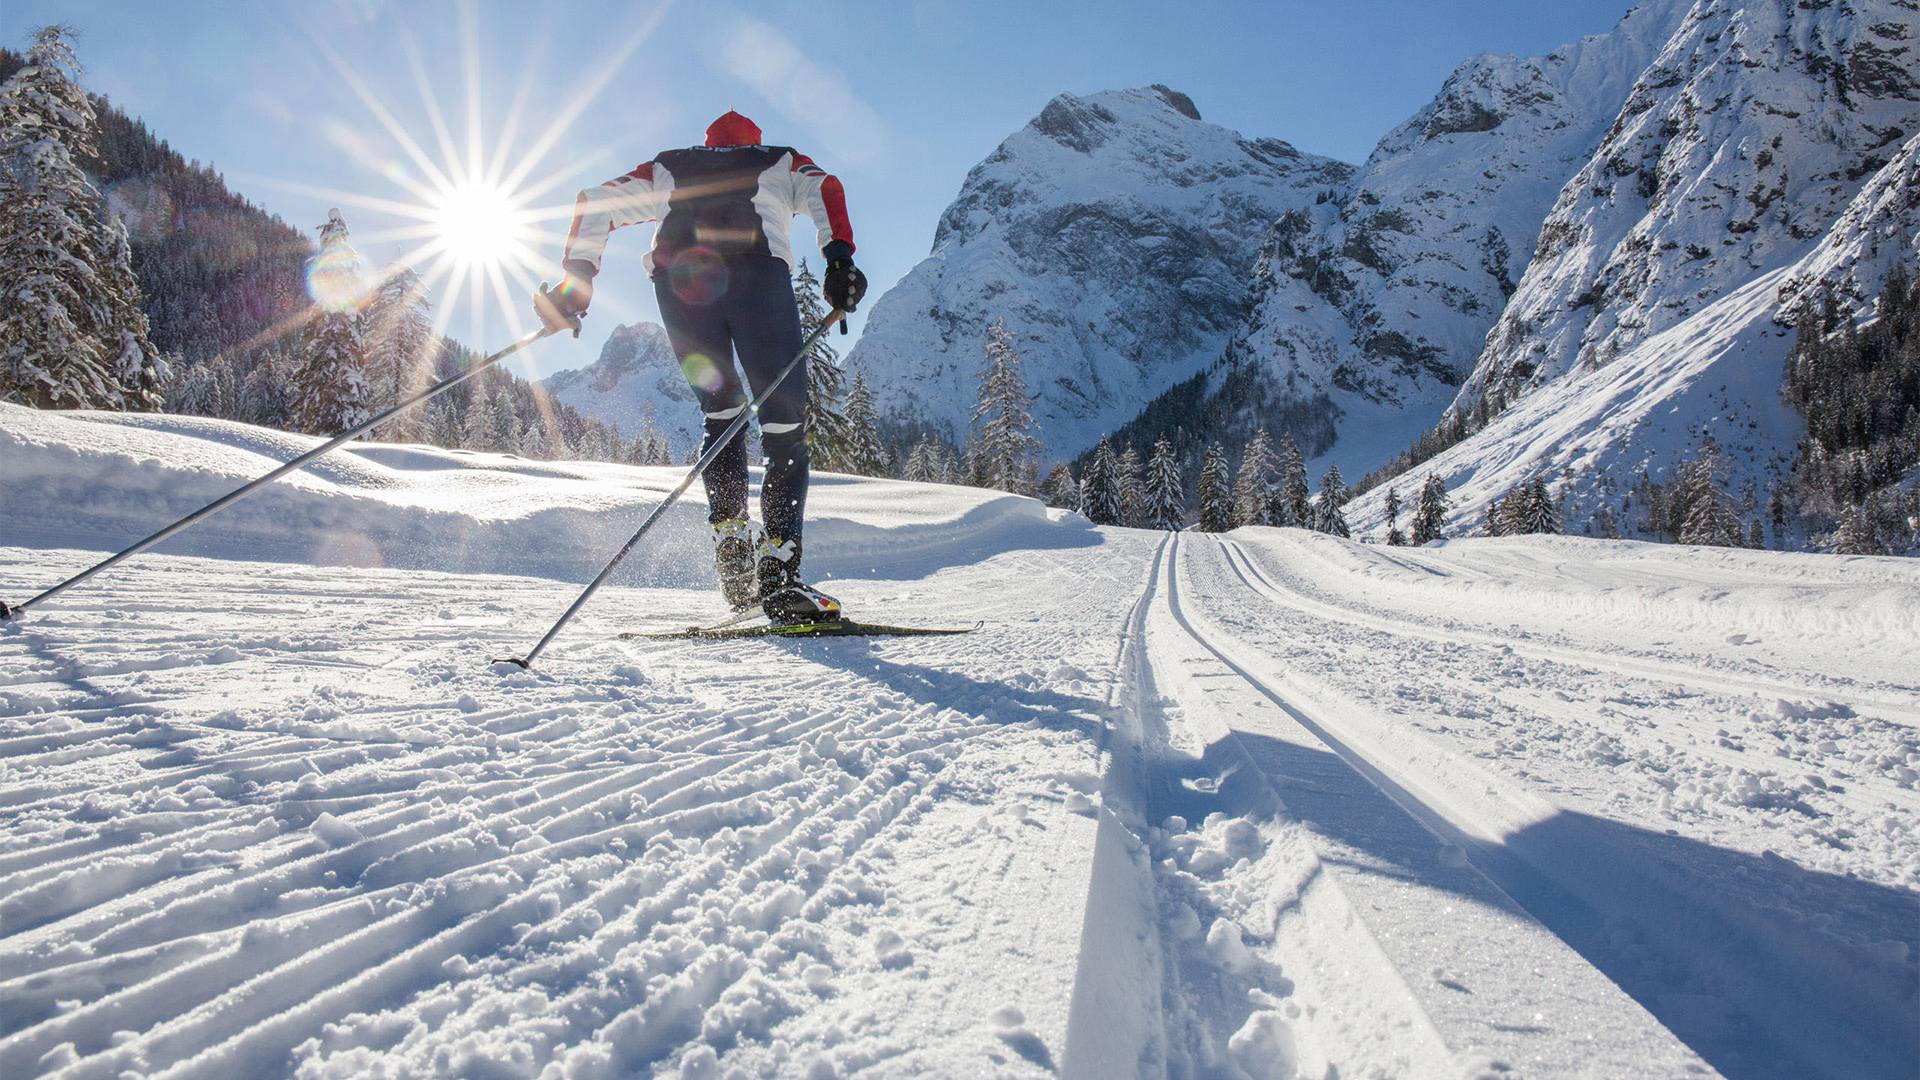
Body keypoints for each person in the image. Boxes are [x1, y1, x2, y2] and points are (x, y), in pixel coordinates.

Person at [537, 111, 867, 623]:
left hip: (683, 285)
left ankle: (731, 543)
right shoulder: (777, 160)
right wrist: (840, 258)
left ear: (709, 143)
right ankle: (778, 576)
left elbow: (595, 202)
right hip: (757, 277)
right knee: (783, 424)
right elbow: (828, 188)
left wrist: (576, 282)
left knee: (721, 413)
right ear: (750, 141)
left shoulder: (669, 165)